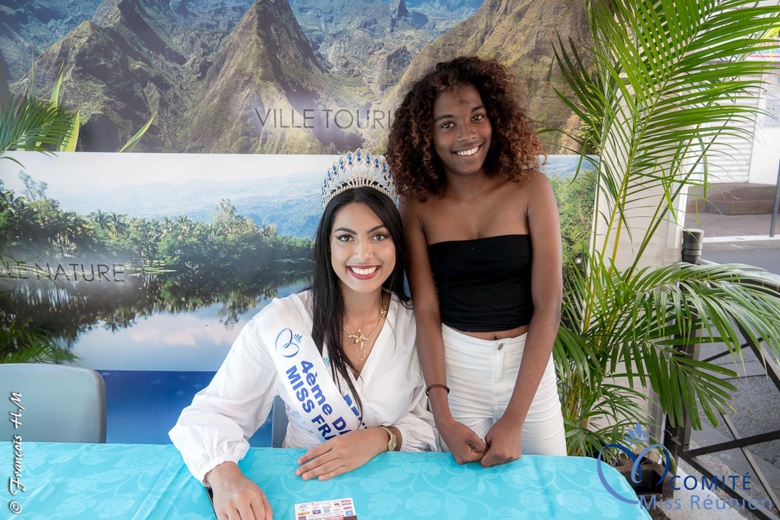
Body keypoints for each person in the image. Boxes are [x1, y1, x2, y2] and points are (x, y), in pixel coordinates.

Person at [170, 149, 437, 520]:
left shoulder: (415, 324)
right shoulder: (282, 322)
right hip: (304, 486)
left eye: (379, 236)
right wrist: (226, 479)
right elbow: (209, 415)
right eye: (346, 237)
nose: (363, 254)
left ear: (397, 245)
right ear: (327, 244)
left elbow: (433, 422)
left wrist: (381, 438)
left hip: (393, 491)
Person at [386, 56, 567, 468]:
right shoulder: (416, 205)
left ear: (496, 120)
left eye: (477, 117)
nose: (466, 134)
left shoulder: (531, 188)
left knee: (546, 489)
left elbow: (549, 304)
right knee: (462, 501)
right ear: (425, 136)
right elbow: (427, 311)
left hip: (529, 373)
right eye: (447, 123)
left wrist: (515, 417)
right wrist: (443, 416)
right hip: (457, 369)